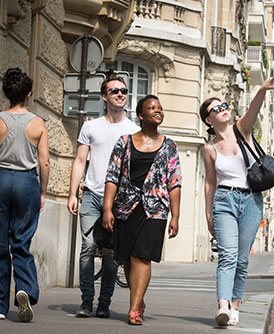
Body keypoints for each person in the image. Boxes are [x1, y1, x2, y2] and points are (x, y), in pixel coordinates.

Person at [201, 74, 274, 327]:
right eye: (217, 108)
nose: (224, 110)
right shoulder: (209, 148)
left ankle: (235, 304)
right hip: (224, 200)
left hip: (251, 201)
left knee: (242, 259)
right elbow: (210, 182)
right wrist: (208, 214)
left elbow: (253, 108)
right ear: (208, 119)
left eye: (224, 106)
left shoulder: (241, 130)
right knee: (227, 256)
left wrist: (262, 89)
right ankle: (223, 305)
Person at [103, 95, 181, 325]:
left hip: (155, 209)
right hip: (126, 207)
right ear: (140, 115)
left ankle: (134, 309)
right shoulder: (124, 141)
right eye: (152, 107)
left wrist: (175, 215)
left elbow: (174, 181)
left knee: (142, 257)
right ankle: (138, 299)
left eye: (160, 108)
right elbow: (112, 176)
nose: (158, 111)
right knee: (127, 258)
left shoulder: (169, 146)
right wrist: (107, 208)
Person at [66, 74, 140, 318]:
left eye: (123, 91)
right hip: (91, 195)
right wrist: (72, 194)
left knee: (110, 254)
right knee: (87, 247)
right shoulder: (91, 126)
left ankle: (104, 303)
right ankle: (87, 301)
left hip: (119, 201)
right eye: (115, 91)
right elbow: (79, 161)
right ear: (104, 97)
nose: (120, 94)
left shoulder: (133, 131)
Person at [0, 68, 50, 322]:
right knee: (21, 243)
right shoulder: (38, 123)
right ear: (28, 95)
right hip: (26, 182)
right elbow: (45, 163)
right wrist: (42, 192)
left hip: (1, 179)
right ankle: (24, 290)